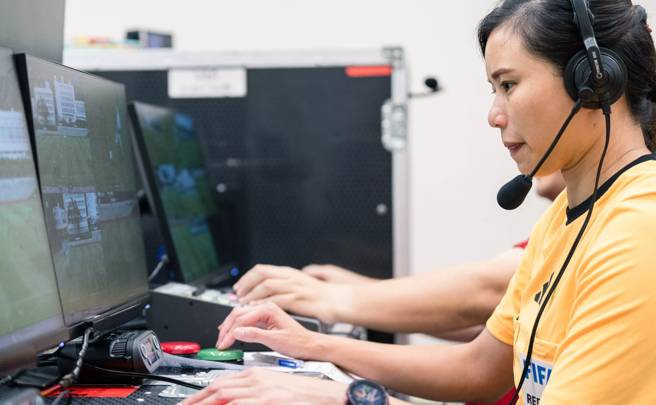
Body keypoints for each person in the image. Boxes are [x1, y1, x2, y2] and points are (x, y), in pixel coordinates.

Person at [183, 1, 656, 403]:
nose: (494, 116)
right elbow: (479, 367)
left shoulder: (640, 231)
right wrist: (312, 346)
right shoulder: (566, 219)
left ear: (594, 82)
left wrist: (342, 396)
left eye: (508, 85)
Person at [229, 174, 564, 342]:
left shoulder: (597, 230)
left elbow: (486, 292)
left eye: (510, 85)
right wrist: (363, 288)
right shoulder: (554, 227)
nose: (498, 116)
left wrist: (329, 301)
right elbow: (483, 326)